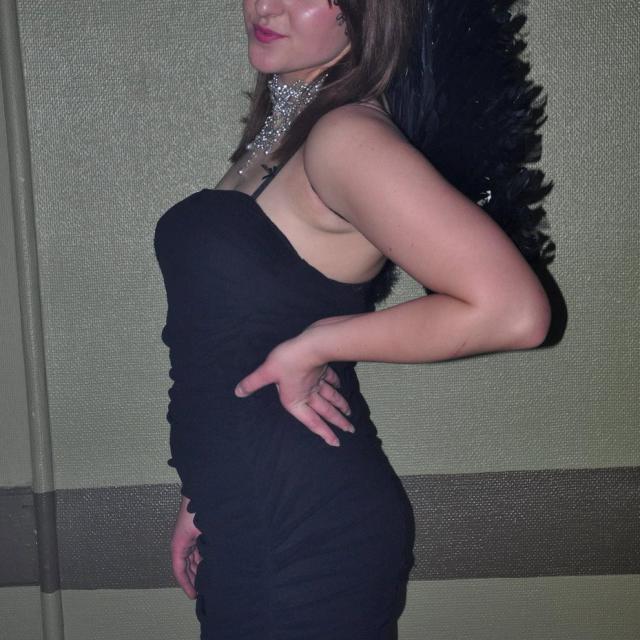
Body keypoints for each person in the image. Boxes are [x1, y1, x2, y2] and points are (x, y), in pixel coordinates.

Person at [154, 0, 552, 638]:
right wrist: (202, 494)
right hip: (247, 509)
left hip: (304, 534)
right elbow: (227, 340)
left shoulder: (345, 136)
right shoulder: (281, 135)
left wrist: (320, 343)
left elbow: (514, 312)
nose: (266, 5)